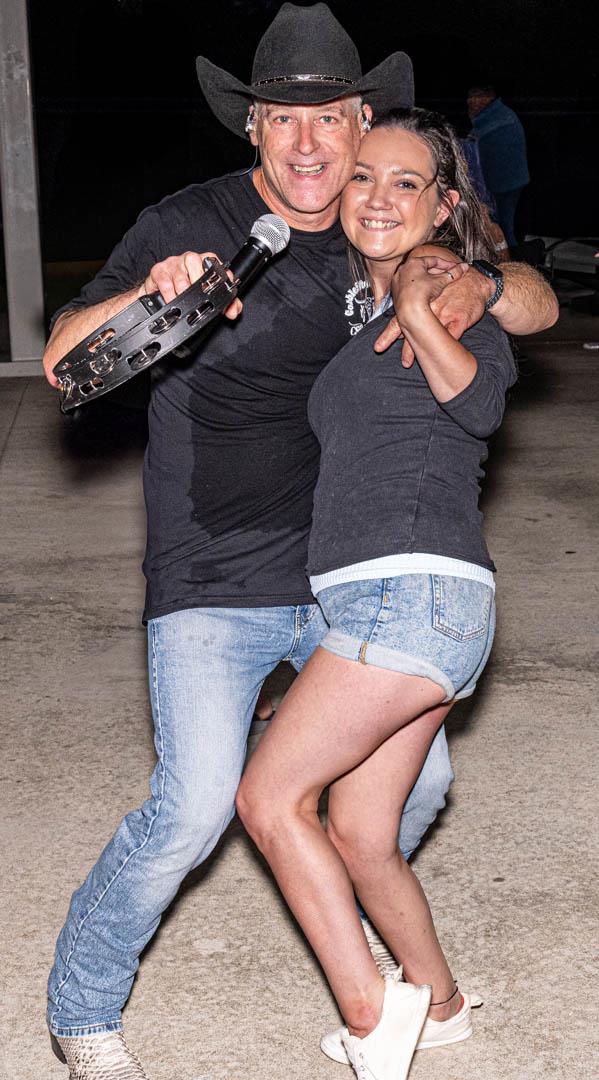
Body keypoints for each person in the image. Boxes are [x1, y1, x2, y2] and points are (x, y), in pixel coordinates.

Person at [42, 5, 558, 1078]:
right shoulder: (190, 221)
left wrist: (479, 282)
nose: (311, 142)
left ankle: (342, 924)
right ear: (253, 128)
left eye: (331, 117)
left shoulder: (384, 231)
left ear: (364, 121)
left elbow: (532, 298)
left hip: (346, 581)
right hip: (211, 573)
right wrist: (148, 297)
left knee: (411, 795)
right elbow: (61, 360)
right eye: (283, 117)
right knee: (195, 809)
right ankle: (83, 1008)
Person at [236, 106, 516, 1080]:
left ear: (442, 205)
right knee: (360, 832)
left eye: (405, 182)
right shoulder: (370, 304)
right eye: (363, 177)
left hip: (409, 590)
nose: (377, 197)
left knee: (269, 798)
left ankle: (372, 1019)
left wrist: (429, 304)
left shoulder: (435, 279)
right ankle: (439, 1003)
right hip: (403, 599)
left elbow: (478, 401)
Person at [467, 84, 529, 249]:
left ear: (487, 98)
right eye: (470, 99)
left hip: (505, 183)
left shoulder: (496, 118)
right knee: (503, 223)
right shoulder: (498, 114)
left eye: (476, 98)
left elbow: (474, 142)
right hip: (510, 180)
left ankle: (509, 255)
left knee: (502, 225)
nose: (472, 102)